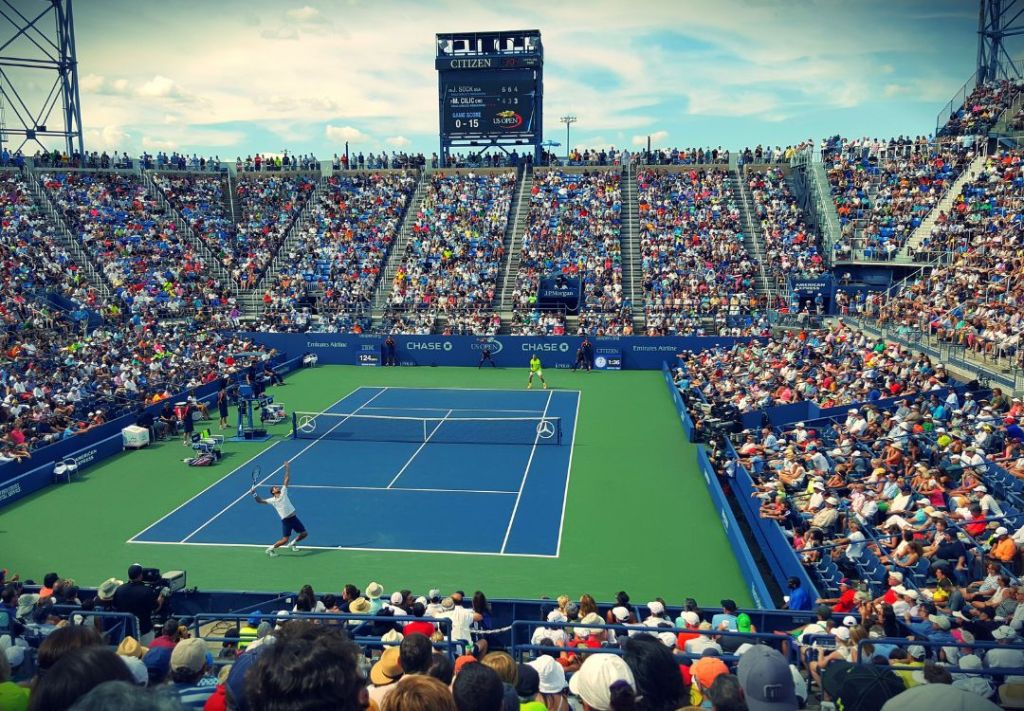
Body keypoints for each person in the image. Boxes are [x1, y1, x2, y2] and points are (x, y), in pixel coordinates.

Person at [253, 460, 309, 556]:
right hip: (286, 521)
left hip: (294, 518)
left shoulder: (283, 492)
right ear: (273, 492)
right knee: (284, 540)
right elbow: (260, 501)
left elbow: (286, 479)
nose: (277, 487)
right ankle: (270, 549)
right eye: (275, 488)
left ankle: (293, 543)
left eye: (276, 487)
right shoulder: (272, 500)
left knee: (304, 534)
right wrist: (254, 494)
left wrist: (287, 468)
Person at [113, 564, 168, 645]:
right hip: (144, 632)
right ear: (141, 575)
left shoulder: (119, 590)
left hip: (125, 632)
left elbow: (115, 606)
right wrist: (162, 595)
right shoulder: (146, 591)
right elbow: (156, 608)